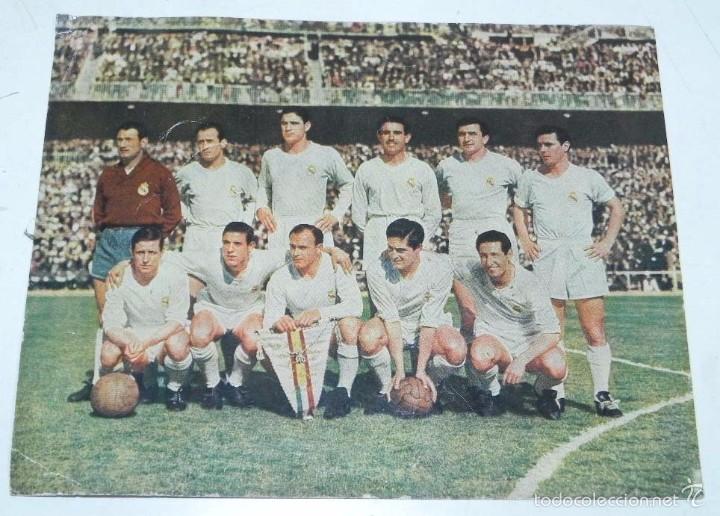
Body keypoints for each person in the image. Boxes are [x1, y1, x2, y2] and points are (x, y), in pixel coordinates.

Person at [175, 222, 352, 409]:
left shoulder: (264, 259)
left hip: (247, 311)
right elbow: (169, 258)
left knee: (254, 341)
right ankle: (213, 386)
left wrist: (333, 251)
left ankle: (234, 383)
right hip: (213, 309)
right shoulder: (208, 259)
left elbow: (304, 249)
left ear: (251, 247)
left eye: (237, 244)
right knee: (199, 334)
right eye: (226, 243)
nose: (230, 249)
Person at [514, 125, 625, 417]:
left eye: (549, 144)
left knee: (593, 329)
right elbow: (518, 208)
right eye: (539, 145)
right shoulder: (530, 179)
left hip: (583, 254)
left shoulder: (587, 177)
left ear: (565, 146)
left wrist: (607, 241)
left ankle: (602, 394)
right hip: (548, 254)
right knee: (553, 329)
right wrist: (524, 238)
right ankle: (555, 392)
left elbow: (616, 207)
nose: (543, 150)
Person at [68, 121, 182, 402]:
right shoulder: (108, 173)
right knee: (107, 315)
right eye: (119, 139)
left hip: (138, 240)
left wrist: (149, 240)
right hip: (108, 242)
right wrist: (108, 236)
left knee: (139, 312)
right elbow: (98, 212)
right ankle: (100, 380)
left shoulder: (158, 172)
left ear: (143, 142)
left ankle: (142, 377)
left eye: (129, 139)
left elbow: (174, 213)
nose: (123, 144)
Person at [359, 218, 466, 414]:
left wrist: (420, 370)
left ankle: (428, 387)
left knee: (456, 350)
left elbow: (429, 320)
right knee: (368, 337)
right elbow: (390, 319)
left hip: (425, 325)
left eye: (401, 250)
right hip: (394, 323)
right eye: (391, 248)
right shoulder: (376, 268)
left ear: (418, 249)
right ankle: (386, 390)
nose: (394, 255)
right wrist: (399, 369)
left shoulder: (440, 267)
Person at [459, 230, 567, 420]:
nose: (489, 261)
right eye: (483, 256)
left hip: (528, 341)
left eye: (494, 255)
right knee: (478, 355)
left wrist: (521, 360)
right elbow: (442, 266)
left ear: (509, 255)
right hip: (495, 339)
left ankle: (543, 390)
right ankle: (493, 394)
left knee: (557, 367)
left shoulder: (530, 284)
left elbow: (552, 332)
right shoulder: (474, 272)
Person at [263, 224, 363, 418]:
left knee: (349, 324)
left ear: (319, 249)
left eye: (302, 248)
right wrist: (279, 320)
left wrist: (320, 312)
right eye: (292, 247)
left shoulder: (336, 266)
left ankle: (343, 391)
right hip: (302, 336)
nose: (295, 253)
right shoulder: (280, 276)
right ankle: (296, 390)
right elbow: (270, 318)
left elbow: (356, 306)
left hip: (330, 332)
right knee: (264, 345)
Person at [436, 117, 523, 338]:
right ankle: (474, 369)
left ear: (485, 137)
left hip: (495, 229)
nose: (466, 138)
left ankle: (508, 361)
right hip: (462, 233)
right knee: (468, 311)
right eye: (462, 134)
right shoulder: (447, 166)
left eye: (472, 134)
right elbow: (441, 197)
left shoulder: (506, 165)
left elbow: (525, 199)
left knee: (505, 300)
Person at [99, 226, 192, 411]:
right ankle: (141, 383)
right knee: (108, 354)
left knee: (177, 344)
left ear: (162, 253)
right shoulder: (119, 276)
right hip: (134, 333)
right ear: (131, 253)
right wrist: (132, 342)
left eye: (152, 252)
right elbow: (110, 323)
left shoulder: (175, 274)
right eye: (140, 252)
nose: (146, 258)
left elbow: (177, 320)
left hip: (165, 332)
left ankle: (175, 388)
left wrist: (146, 343)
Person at [256, 108, 354, 250]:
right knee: (280, 271)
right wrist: (261, 207)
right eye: (284, 123)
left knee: (317, 271)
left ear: (306, 126)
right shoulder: (271, 156)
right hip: (280, 227)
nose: (288, 128)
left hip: (314, 225)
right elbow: (263, 186)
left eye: (294, 123)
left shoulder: (325, 154)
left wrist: (336, 214)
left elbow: (349, 184)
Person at [352, 116, 441, 268]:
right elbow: (358, 213)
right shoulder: (366, 169)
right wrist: (373, 233)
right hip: (378, 231)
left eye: (397, 133)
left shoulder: (421, 169)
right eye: (386, 133)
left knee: (412, 285)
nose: (391, 137)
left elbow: (434, 212)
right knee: (377, 284)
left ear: (407, 137)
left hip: (412, 232)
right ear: (379, 136)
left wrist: (419, 237)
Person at [175, 121, 257, 263]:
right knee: (194, 282)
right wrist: (187, 217)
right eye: (201, 142)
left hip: (228, 237)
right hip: (197, 237)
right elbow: (175, 197)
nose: (205, 146)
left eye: (210, 141)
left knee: (227, 282)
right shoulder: (187, 173)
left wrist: (244, 223)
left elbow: (254, 199)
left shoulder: (241, 172)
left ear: (223, 143)